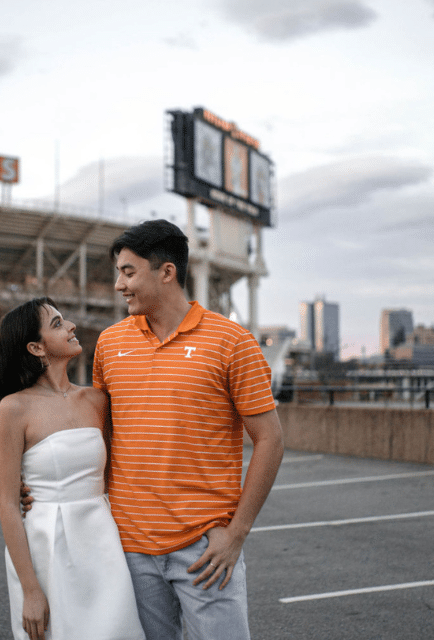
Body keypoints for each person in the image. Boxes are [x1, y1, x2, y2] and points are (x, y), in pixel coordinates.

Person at [90, 219, 284, 640]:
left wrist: (237, 533)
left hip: (205, 548)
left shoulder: (232, 341)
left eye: (128, 273)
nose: (119, 285)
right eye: (118, 273)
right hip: (128, 547)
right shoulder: (109, 344)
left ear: (166, 272)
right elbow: (97, 434)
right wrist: (40, 486)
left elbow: (270, 440)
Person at [0, 297, 145, 640]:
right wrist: (31, 590)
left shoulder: (97, 400)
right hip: (44, 548)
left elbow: (117, 472)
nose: (72, 326)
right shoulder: (14, 408)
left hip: (101, 541)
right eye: (58, 323)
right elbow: (7, 504)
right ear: (36, 347)